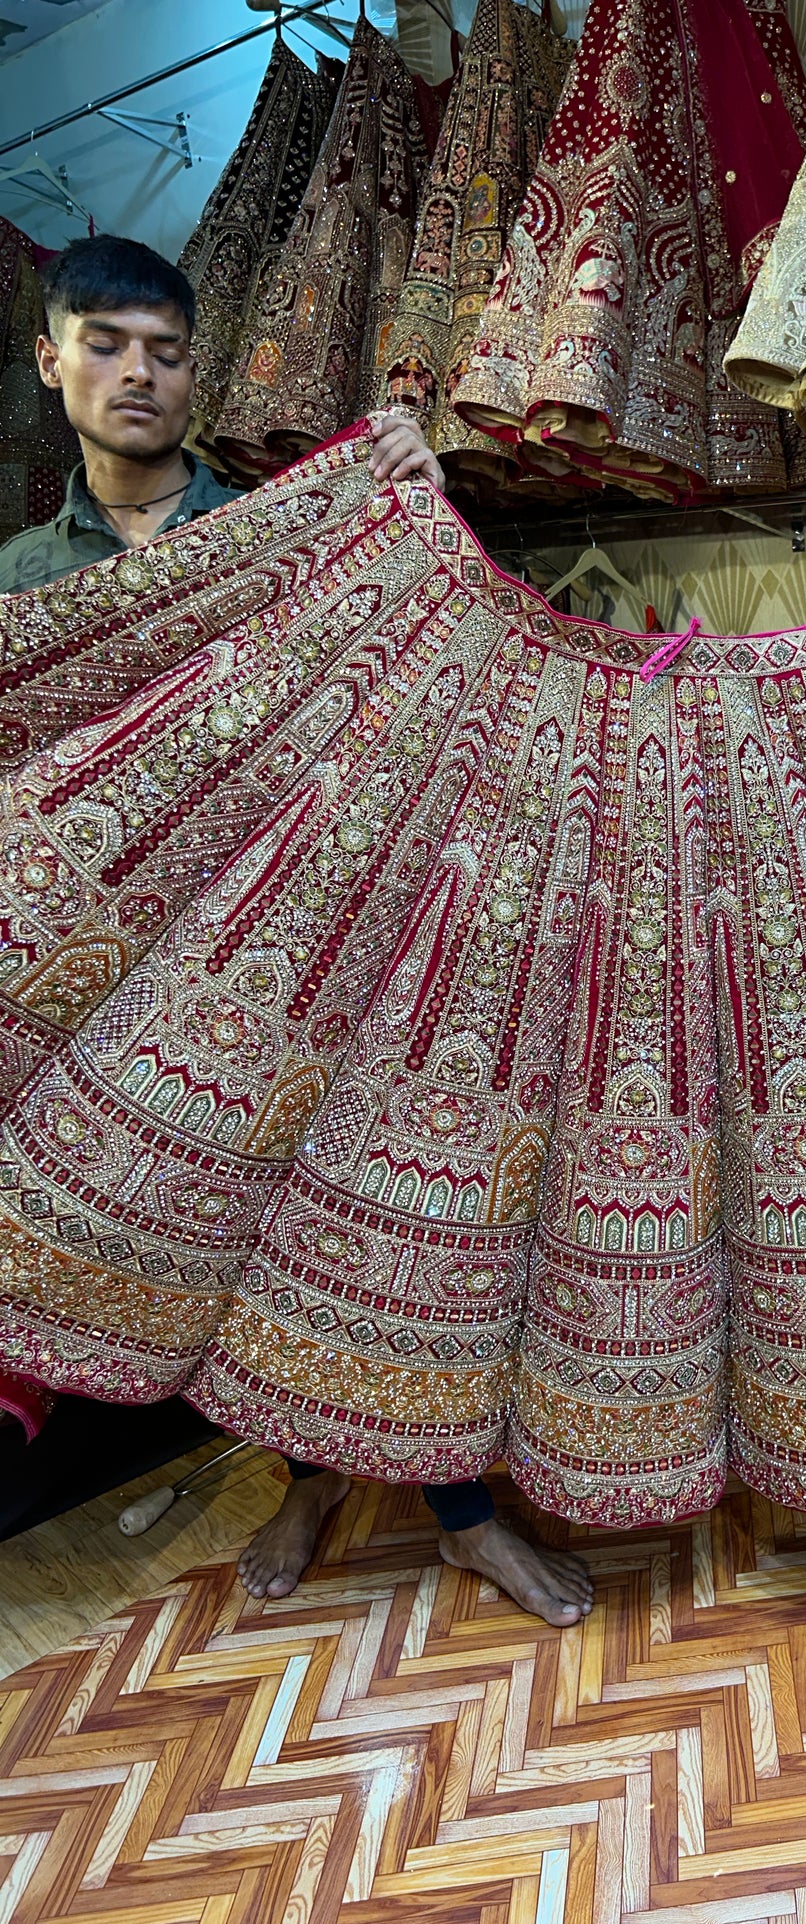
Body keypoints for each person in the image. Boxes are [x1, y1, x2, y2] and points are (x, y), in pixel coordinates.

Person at [0, 235, 593, 1627]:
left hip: (327, 937)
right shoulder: (25, 578)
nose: (135, 373)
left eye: (162, 350)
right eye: (105, 344)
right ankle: (309, 1478)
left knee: (381, 1219)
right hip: (133, 971)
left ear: (198, 368)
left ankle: (456, 1509)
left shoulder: (295, 532)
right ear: (52, 360)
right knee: (214, 1239)